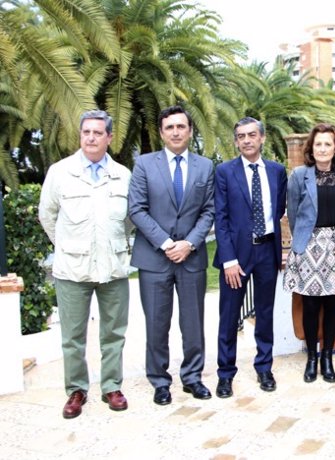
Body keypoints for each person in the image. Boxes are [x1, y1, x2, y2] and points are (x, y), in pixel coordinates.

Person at [38, 110, 131, 419]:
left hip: (114, 268)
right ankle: (76, 390)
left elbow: (129, 222)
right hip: (72, 271)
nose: (90, 137)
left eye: (97, 132)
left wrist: (112, 244)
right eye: (86, 132)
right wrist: (66, 245)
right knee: (73, 336)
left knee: (114, 332)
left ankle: (111, 386)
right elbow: (47, 215)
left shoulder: (123, 175)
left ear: (109, 137)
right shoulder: (60, 172)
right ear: (80, 136)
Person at [128, 105, 215, 405]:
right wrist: (166, 243)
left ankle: (192, 378)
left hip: (191, 258)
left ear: (190, 131)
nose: (176, 132)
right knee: (156, 322)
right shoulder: (144, 165)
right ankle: (160, 381)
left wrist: (188, 244)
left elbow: (209, 210)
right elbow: (136, 209)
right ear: (162, 133)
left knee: (193, 323)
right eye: (170, 128)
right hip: (154, 258)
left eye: (181, 127)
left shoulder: (205, 167)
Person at [214, 117, 287, 396]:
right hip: (237, 256)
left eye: (252, 135)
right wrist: (229, 259)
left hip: (267, 251)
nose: (246, 140)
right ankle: (225, 373)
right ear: (236, 141)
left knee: (265, 312)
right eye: (241, 136)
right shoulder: (224, 172)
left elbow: (277, 210)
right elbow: (220, 219)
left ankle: (264, 367)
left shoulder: (277, 171)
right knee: (229, 314)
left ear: (262, 138)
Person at [283, 123, 335, 383]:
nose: (323, 149)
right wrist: (304, 239)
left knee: (333, 305)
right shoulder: (299, 175)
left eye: (328, 144)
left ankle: (327, 357)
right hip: (309, 247)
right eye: (318, 144)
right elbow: (293, 213)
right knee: (311, 305)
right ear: (311, 149)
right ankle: (312, 358)